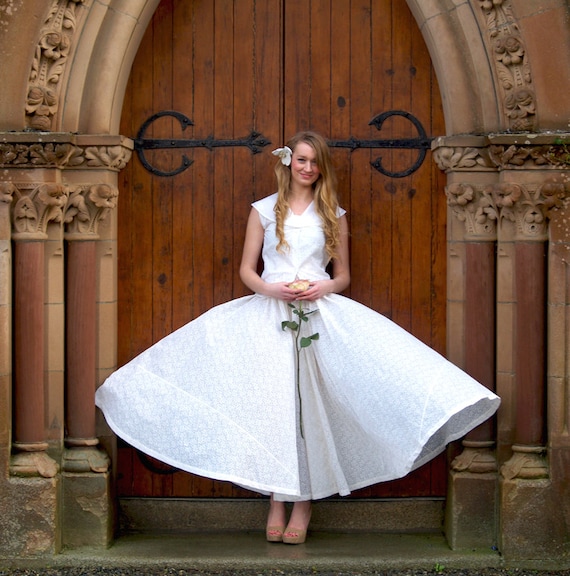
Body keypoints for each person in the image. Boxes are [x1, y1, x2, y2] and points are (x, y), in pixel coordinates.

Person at [95, 131, 500, 545]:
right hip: (269, 316)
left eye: (314, 162)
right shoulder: (264, 211)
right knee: (273, 407)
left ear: (321, 168)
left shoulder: (333, 213)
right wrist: (272, 289)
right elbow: (248, 271)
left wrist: (321, 287)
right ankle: (276, 498)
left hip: (318, 317)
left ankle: (303, 503)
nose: (307, 168)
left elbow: (342, 276)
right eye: (302, 160)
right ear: (288, 162)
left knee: (311, 411)